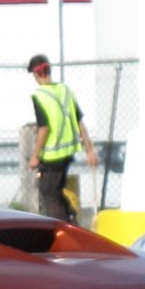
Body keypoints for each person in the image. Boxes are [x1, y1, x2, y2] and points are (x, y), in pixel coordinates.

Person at [26, 54, 98, 223]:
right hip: (68, 152)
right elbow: (79, 122)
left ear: (36, 75)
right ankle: (71, 219)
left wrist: (35, 155)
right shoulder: (65, 90)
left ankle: (64, 227)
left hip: (52, 155)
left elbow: (44, 128)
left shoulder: (39, 95)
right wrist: (89, 150)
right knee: (55, 190)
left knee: (48, 192)